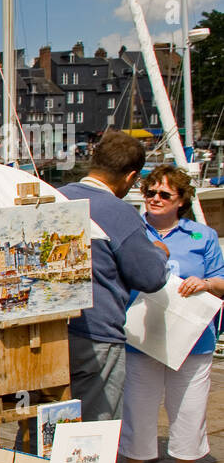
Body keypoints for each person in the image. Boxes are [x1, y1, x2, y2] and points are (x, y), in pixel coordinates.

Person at [118, 165, 222, 463]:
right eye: (150, 192)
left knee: (190, 408)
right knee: (139, 404)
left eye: (165, 194)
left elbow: (221, 280)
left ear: (181, 200)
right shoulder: (133, 231)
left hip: (194, 338)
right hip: (142, 335)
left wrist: (206, 284)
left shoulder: (202, 236)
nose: (155, 199)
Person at [58, 130, 168, 423]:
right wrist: (160, 252)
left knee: (46, 421)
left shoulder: (56, 197)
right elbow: (151, 277)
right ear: (131, 177)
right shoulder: (119, 213)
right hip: (97, 332)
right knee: (95, 429)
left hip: (50, 331)